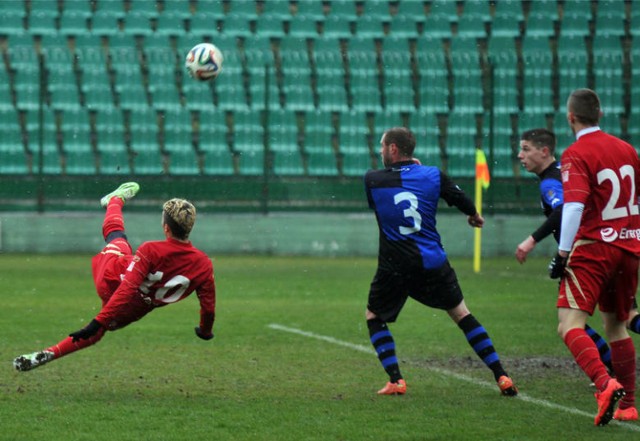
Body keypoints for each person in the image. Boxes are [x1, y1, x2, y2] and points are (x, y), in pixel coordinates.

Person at [364, 127, 517, 396]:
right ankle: (502, 376)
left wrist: (407, 173)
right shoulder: (433, 174)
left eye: (382, 146)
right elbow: (459, 197)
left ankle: (396, 380)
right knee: (461, 314)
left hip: (395, 265)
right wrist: (473, 215)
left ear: (393, 149)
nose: (379, 151)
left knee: (374, 316)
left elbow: (387, 198)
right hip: (432, 261)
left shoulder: (373, 179)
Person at [13, 182, 216, 372]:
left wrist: (97, 321)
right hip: (133, 310)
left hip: (110, 279)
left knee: (117, 239)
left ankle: (115, 200)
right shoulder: (204, 264)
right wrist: (205, 331)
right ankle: (49, 354)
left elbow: (127, 287)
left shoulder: (151, 250)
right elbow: (208, 307)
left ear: (166, 227)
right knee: (98, 332)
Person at [549, 88, 639, 426]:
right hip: (630, 246)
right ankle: (628, 405)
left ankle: (604, 384)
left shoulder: (575, 153)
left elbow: (573, 206)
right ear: (600, 115)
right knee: (617, 326)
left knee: (569, 324)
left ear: (570, 117)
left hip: (594, 247)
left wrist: (562, 254)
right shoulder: (627, 149)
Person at [515, 128, 614, 371]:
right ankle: (612, 366)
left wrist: (531, 240)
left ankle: (608, 369)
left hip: (584, 254)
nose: (520, 155)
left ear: (544, 151)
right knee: (624, 317)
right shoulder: (565, 172)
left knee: (569, 322)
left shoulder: (550, 181)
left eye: (526, 149)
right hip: (610, 246)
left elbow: (562, 210)